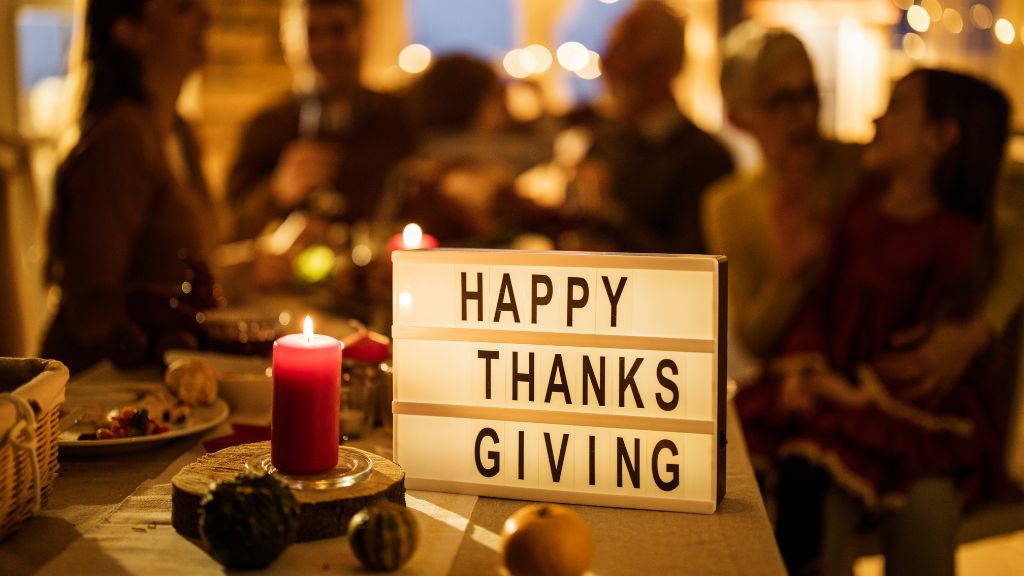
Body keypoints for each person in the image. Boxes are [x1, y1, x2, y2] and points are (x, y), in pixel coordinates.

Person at [747, 69, 1012, 576]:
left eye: (895, 107)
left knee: (823, 474)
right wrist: (804, 368)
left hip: (900, 405)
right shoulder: (862, 208)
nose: (876, 118)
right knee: (787, 469)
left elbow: (930, 359)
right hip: (835, 387)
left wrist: (857, 392)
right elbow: (824, 300)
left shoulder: (957, 240)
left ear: (940, 138)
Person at [42, 0, 218, 372]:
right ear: (131, 33)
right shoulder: (120, 139)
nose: (207, 15)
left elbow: (172, 277)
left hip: (157, 378)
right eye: (183, 7)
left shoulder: (179, 132)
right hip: (97, 391)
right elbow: (90, 307)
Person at [226, 0, 415, 241]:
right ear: (289, 43)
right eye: (312, 34)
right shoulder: (266, 127)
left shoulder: (399, 117)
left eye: (338, 31)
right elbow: (230, 231)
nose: (327, 47)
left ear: (363, 35)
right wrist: (276, 192)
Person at [578, 0, 734, 254]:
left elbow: (691, 269)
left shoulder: (705, 158)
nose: (607, 63)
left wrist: (609, 214)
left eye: (623, 48)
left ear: (664, 65)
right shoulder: (605, 142)